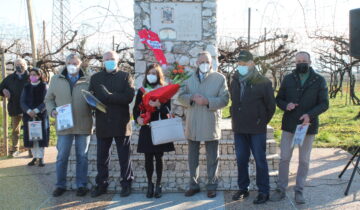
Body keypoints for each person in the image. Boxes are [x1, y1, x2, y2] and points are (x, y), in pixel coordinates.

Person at [270, 51, 329, 204]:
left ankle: (299, 191)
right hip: (289, 124)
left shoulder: (319, 80)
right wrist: (286, 105)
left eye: (303, 60)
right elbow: (279, 99)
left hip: (308, 125)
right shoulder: (288, 79)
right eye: (298, 61)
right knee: (284, 158)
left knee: (304, 160)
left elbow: (324, 104)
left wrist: (310, 115)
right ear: (295, 63)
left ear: (310, 62)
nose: (300, 63)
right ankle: (281, 189)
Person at [178, 51, 229, 198]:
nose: (204, 64)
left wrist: (208, 102)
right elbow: (180, 97)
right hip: (192, 122)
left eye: (206, 61)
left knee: (212, 156)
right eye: (201, 62)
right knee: (192, 157)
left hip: (210, 122)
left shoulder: (219, 78)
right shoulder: (187, 78)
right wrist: (191, 97)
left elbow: (225, 99)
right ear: (196, 63)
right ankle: (194, 185)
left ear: (211, 63)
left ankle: (211, 186)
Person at [229, 50, 276, 204]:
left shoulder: (264, 82)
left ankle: (264, 191)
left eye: (244, 63)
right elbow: (235, 102)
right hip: (239, 128)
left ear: (252, 63)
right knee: (241, 159)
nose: (241, 66)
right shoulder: (234, 80)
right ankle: (243, 188)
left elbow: (271, 107)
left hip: (256, 129)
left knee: (260, 160)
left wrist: (260, 121)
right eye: (239, 63)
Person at [45, 53, 93, 197]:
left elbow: (94, 99)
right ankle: (60, 185)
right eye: (70, 63)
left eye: (75, 63)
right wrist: (52, 111)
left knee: (82, 157)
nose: (73, 66)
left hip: (83, 124)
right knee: (62, 157)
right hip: (64, 124)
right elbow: (48, 99)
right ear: (65, 64)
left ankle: (81, 185)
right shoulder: (55, 79)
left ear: (80, 65)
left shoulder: (88, 80)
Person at [90, 51, 135, 198]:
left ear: (118, 60)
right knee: (102, 157)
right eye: (107, 59)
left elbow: (128, 96)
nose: (110, 61)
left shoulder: (125, 76)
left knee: (124, 157)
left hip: (121, 122)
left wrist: (109, 97)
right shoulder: (95, 78)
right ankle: (101, 184)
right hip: (103, 122)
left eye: (112, 59)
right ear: (102, 61)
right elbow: (91, 97)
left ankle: (126, 184)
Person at [133, 64, 175, 199]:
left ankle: (158, 184)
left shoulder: (164, 90)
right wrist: (137, 118)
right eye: (149, 73)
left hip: (160, 127)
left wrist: (158, 105)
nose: (151, 76)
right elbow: (135, 109)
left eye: (154, 73)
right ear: (146, 74)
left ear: (158, 75)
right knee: (148, 158)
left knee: (158, 157)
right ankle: (150, 184)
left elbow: (168, 111)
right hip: (147, 128)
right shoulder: (142, 91)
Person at [20, 67, 49, 166]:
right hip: (28, 116)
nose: (32, 76)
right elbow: (22, 102)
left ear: (40, 76)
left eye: (35, 75)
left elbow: (46, 101)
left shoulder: (44, 86)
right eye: (31, 74)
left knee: (40, 137)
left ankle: (41, 158)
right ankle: (34, 157)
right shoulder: (26, 86)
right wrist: (28, 111)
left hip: (40, 115)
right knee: (32, 137)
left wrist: (36, 110)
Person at [0, 58, 29, 156]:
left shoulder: (30, 76)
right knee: (15, 130)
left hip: (28, 108)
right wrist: (3, 90)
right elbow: (1, 87)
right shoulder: (10, 78)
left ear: (25, 65)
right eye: (16, 64)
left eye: (21, 64)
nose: (19, 66)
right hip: (14, 107)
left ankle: (30, 148)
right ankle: (15, 149)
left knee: (29, 128)